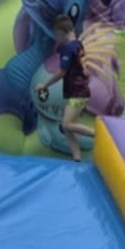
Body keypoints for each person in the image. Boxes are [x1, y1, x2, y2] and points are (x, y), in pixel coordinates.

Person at [53, 14, 93, 160]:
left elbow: (61, 72)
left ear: (61, 32)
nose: (57, 38)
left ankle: (101, 135)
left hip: (78, 92)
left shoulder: (68, 48)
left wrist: (44, 85)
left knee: (66, 124)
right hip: (79, 91)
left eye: (57, 35)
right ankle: (77, 158)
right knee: (69, 128)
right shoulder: (78, 44)